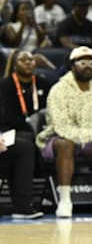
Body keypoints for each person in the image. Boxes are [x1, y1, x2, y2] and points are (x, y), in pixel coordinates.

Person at [35, 46, 92, 218]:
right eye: (82, 62)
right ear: (73, 66)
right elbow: (61, 126)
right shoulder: (59, 90)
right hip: (58, 140)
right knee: (65, 144)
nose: (88, 66)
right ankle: (65, 200)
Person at [0, 49, 51, 219]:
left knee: (24, 146)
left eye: (31, 59)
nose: (28, 63)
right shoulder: (6, 85)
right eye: (23, 60)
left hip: (41, 131)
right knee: (26, 140)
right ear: (14, 64)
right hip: (14, 130)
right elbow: (7, 118)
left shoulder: (44, 83)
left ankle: (23, 207)